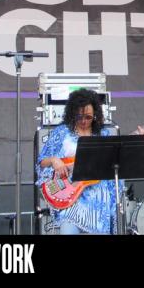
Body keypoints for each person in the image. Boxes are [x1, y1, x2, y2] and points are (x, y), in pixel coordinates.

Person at [36, 88, 118, 234]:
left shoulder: (103, 135)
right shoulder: (62, 132)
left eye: (88, 117)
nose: (84, 121)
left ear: (95, 115)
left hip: (98, 202)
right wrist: (54, 160)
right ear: (72, 114)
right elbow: (41, 161)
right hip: (70, 198)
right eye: (79, 117)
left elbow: (115, 162)